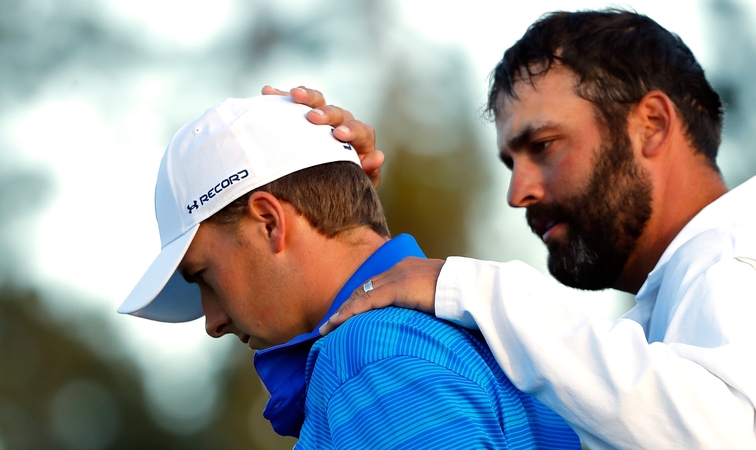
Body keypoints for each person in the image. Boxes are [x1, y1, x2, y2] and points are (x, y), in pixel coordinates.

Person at [287, 9, 756, 450]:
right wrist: (338, 200)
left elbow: (720, 437)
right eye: (511, 163)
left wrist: (471, 289)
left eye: (544, 146)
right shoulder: (690, 297)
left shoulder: (736, 264)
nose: (518, 193)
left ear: (652, 125)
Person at [118, 95, 582, 448]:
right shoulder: (477, 334)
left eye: (204, 276)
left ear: (269, 222)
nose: (213, 321)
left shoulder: (370, 357)